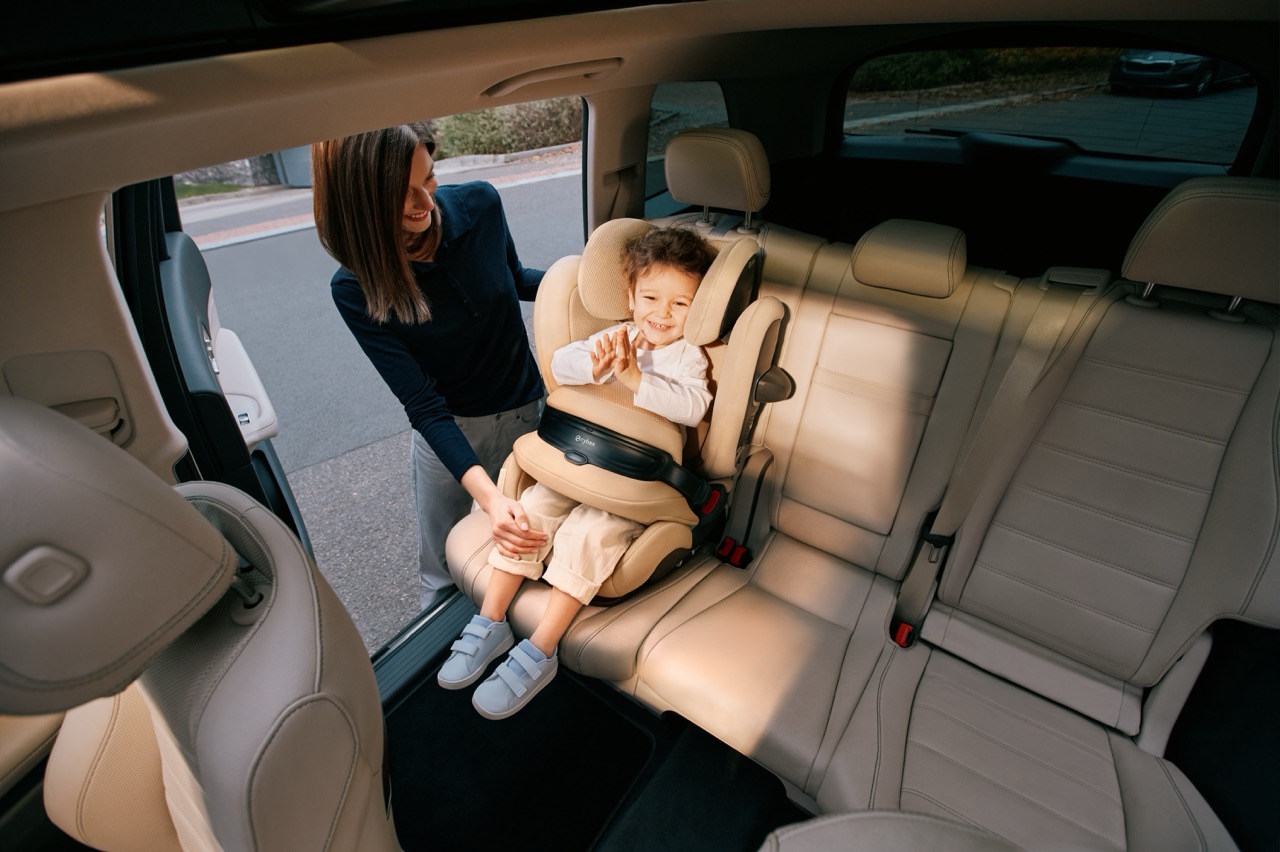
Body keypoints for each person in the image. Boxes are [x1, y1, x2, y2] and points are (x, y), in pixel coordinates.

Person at [437, 225, 717, 720]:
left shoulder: (687, 357)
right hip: (580, 463)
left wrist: (636, 379)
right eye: (651, 298)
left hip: (635, 481)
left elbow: (694, 407)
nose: (662, 314)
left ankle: (541, 648)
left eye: (681, 304)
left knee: (592, 533)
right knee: (531, 511)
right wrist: (598, 365)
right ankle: (490, 621)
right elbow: (562, 364)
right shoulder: (618, 337)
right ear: (630, 298)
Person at [312, 124, 549, 612]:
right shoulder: (355, 286)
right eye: (405, 192)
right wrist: (487, 497)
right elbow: (422, 403)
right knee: (442, 573)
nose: (426, 201)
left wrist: (599, 283)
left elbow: (516, 279)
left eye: (430, 178)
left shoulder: (481, 204)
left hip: (528, 413)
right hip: (448, 435)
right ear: (363, 201)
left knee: (531, 551)